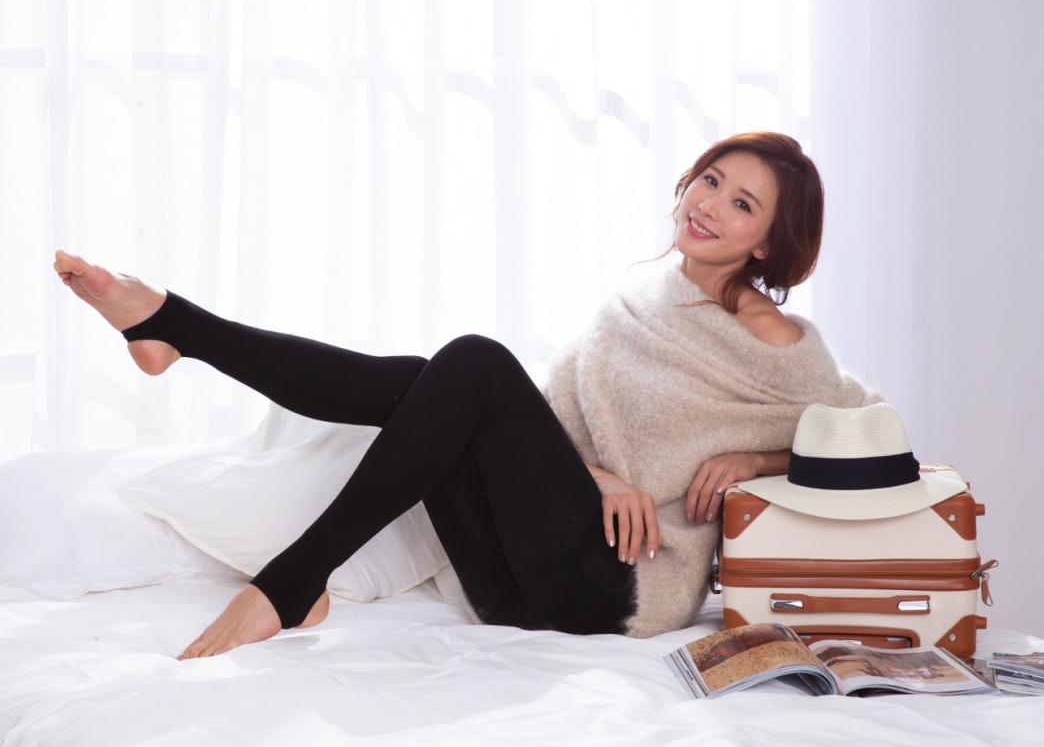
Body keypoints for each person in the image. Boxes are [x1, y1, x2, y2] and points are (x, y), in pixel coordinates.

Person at [52, 130, 883, 659]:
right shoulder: (643, 299)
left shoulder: (778, 344)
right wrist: (596, 474)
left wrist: (754, 460)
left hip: (621, 590)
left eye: (741, 204)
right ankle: (175, 330)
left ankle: (283, 570)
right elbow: (555, 429)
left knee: (472, 364)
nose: (708, 205)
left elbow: (882, 450)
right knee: (431, 385)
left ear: (767, 242)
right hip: (513, 588)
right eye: (709, 180)